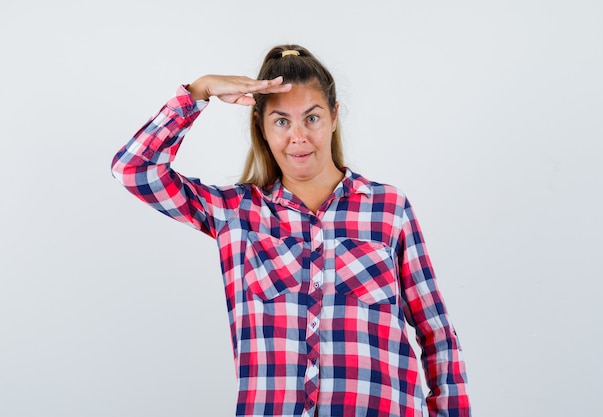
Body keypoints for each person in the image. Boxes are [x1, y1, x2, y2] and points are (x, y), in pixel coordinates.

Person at [111, 44, 471, 417]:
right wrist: (198, 91)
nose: (298, 136)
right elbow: (133, 170)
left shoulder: (388, 208)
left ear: (333, 116)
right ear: (263, 129)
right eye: (282, 121)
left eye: (311, 118)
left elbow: (437, 334)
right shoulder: (236, 213)